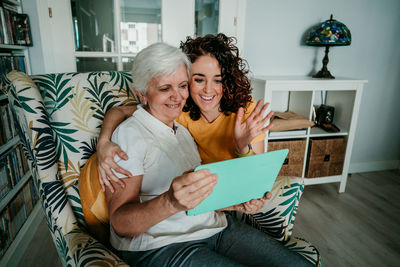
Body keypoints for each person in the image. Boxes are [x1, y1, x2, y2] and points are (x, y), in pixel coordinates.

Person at [104, 41, 312, 266]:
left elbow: (197, 201)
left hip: (216, 227)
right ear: (142, 94)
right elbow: (120, 223)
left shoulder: (182, 131)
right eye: (165, 88)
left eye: (182, 86)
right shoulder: (129, 135)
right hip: (163, 244)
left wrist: (234, 205)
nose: (177, 97)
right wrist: (170, 202)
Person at [97, 34, 272, 204]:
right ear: (187, 80)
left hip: (235, 193)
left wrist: (242, 147)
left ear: (227, 82)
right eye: (199, 80)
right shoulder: (179, 111)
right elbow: (120, 111)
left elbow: (256, 175)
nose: (208, 90)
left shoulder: (245, 111)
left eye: (217, 80)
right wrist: (103, 141)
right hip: (206, 197)